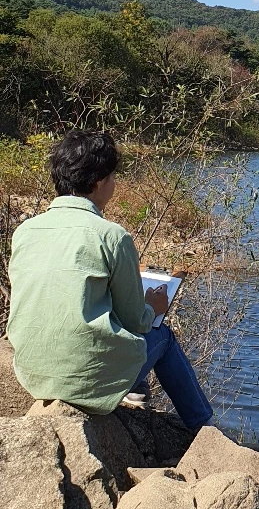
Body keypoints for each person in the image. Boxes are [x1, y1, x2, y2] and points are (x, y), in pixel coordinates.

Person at [7, 129, 213, 432]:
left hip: (33, 376)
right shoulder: (112, 236)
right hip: (86, 381)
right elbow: (135, 321)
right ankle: (204, 428)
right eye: (113, 178)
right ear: (97, 182)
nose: (115, 185)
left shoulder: (25, 232)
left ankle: (132, 397)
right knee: (162, 336)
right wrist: (152, 307)